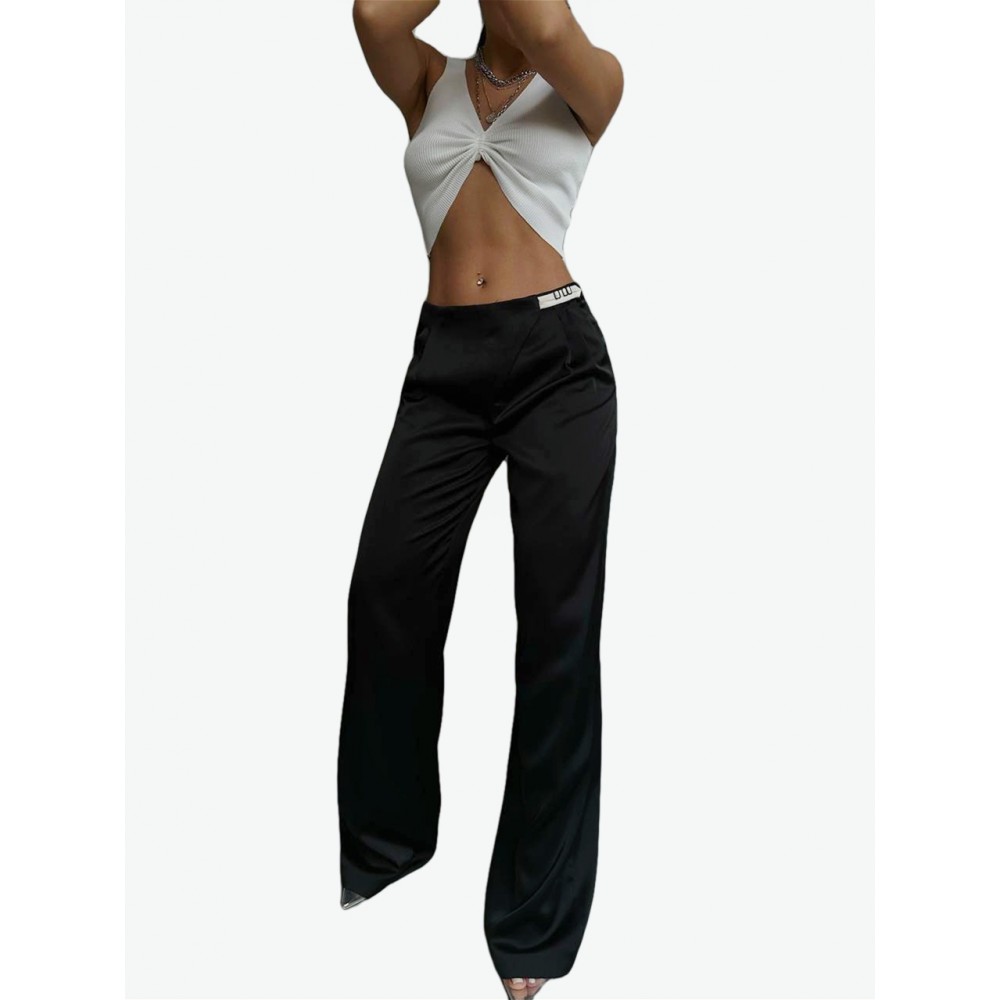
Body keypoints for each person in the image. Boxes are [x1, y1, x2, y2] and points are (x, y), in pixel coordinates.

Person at [339, 2, 624, 997]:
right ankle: (387, 841)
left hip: (558, 364)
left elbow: (540, 28)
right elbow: (373, 12)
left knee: (555, 635)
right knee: (386, 593)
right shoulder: (426, 82)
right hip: (444, 369)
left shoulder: (588, 78)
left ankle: (532, 931)